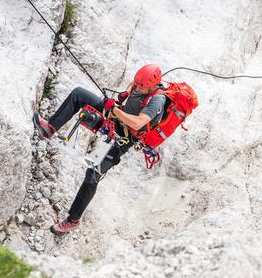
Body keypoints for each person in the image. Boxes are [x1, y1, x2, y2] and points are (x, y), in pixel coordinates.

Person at [32, 64, 167, 235]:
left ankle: (73, 220)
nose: (138, 88)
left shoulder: (157, 100)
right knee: (79, 94)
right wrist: (124, 94)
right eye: (137, 84)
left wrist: (114, 108)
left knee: (93, 174)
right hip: (116, 117)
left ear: (153, 86)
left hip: (124, 138)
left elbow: (137, 123)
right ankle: (50, 128)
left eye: (142, 87)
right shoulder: (141, 84)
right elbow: (133, 86)